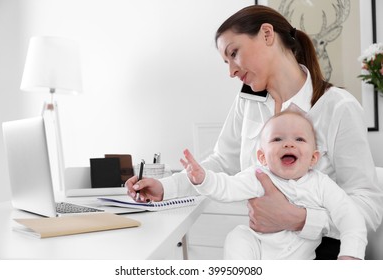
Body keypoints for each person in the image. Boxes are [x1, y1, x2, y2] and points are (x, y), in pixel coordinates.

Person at [126, 5, 383, 259]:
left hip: (321, 250)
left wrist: (300, 219)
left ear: (267, 34)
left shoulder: (338, 106)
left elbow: (369, 206)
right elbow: (221, 162)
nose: (231, 71)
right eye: (226, 62)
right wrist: (165, 187)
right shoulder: (248, 101)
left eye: (234, 53)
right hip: (263, 248)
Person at [180, 109, 367, 260]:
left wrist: (351, 254)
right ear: (262, 157)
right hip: (258, 252)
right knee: (238, 236)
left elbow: (351, 217)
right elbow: (226, 187)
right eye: (277, 139)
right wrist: (203, 178)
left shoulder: (321, 185)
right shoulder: (258, 175)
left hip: (298, 261)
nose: (288, 144)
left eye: (299, 139)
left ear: (313, 158)